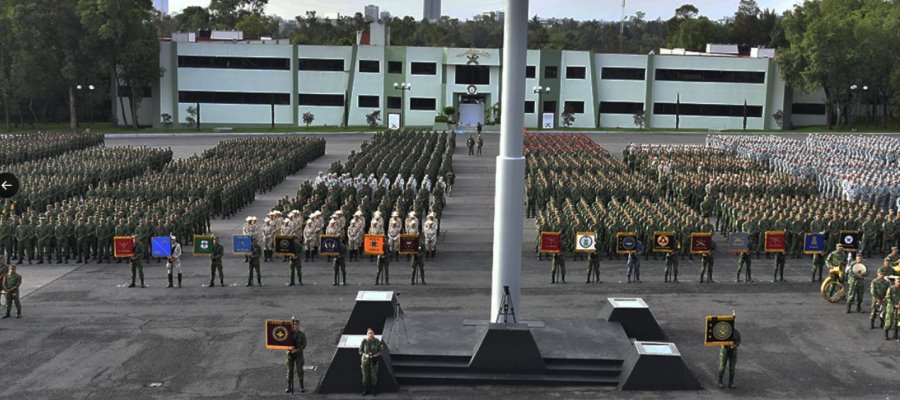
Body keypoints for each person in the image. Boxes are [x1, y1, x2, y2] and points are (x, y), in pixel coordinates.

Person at [359, 328, 385, 396]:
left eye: (372, 334)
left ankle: (374, 390)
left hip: (374, 360)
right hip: (365, 361)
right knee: (365, 376)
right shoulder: (364, 341)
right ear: (367, 335)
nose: (370, 335)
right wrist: (365, 355)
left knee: (374, 376)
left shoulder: (377, 341)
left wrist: (376, 354)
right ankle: (365, 390)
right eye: (369, 334)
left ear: (373, 334)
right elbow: (360, 351)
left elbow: (381, 349)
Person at [285, 319, 308, 393]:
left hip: (298, 355)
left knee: (300, 370)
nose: (295, 326)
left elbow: (304, 345)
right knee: (289, 371)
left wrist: (297, 350)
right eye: (294, 324)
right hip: (290, 354)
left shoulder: (301, 334)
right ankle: (289, 386)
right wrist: (288, 349)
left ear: (299, 325)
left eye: (296, 324)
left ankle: (301, 386)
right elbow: (284, 342)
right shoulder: (288, 333)